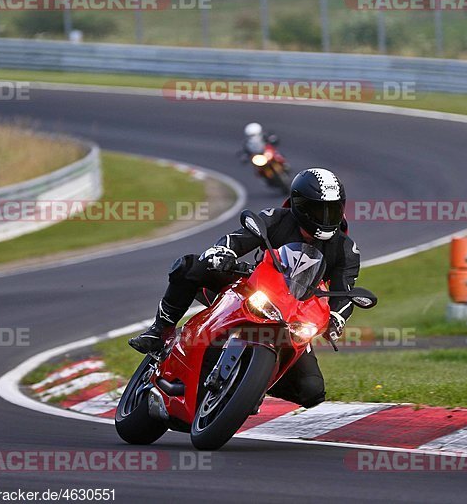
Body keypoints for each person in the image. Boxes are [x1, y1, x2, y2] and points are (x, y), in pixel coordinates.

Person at [129, 168, 360, 408]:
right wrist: (224, 252)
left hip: (295, 315)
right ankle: (160, 331)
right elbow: (242, 236)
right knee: (190, 266)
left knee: (312, 391)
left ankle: (250, 384)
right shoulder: (278, 218)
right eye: (317, 209)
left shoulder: (346, 249)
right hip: (254, 287)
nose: (325, 217)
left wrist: (336, 318)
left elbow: (345, 291)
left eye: (332, 209)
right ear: (298, 205)